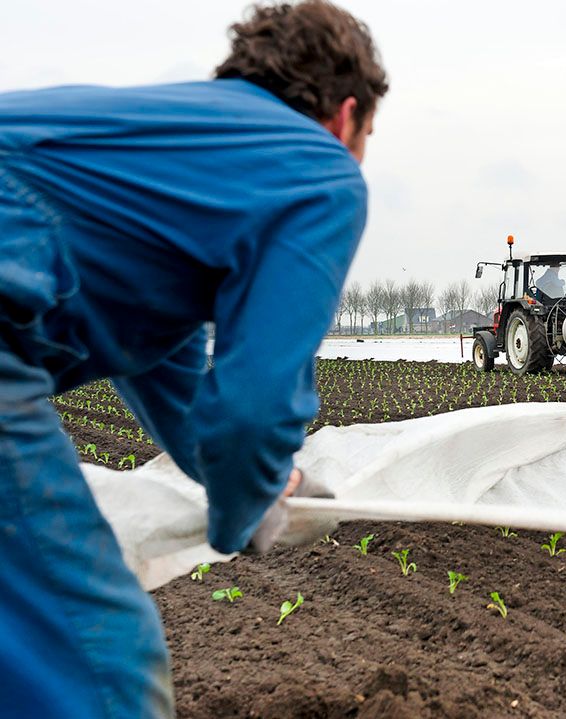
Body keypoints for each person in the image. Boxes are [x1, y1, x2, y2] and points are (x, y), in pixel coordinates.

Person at [0, 2, 387, 716]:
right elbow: (250, 408)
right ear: (346, 117)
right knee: (97, 656)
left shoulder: (175, 159)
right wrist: (248, 506)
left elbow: (170, 369)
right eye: (365, 137)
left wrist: (276, 480)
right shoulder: (319, 168)